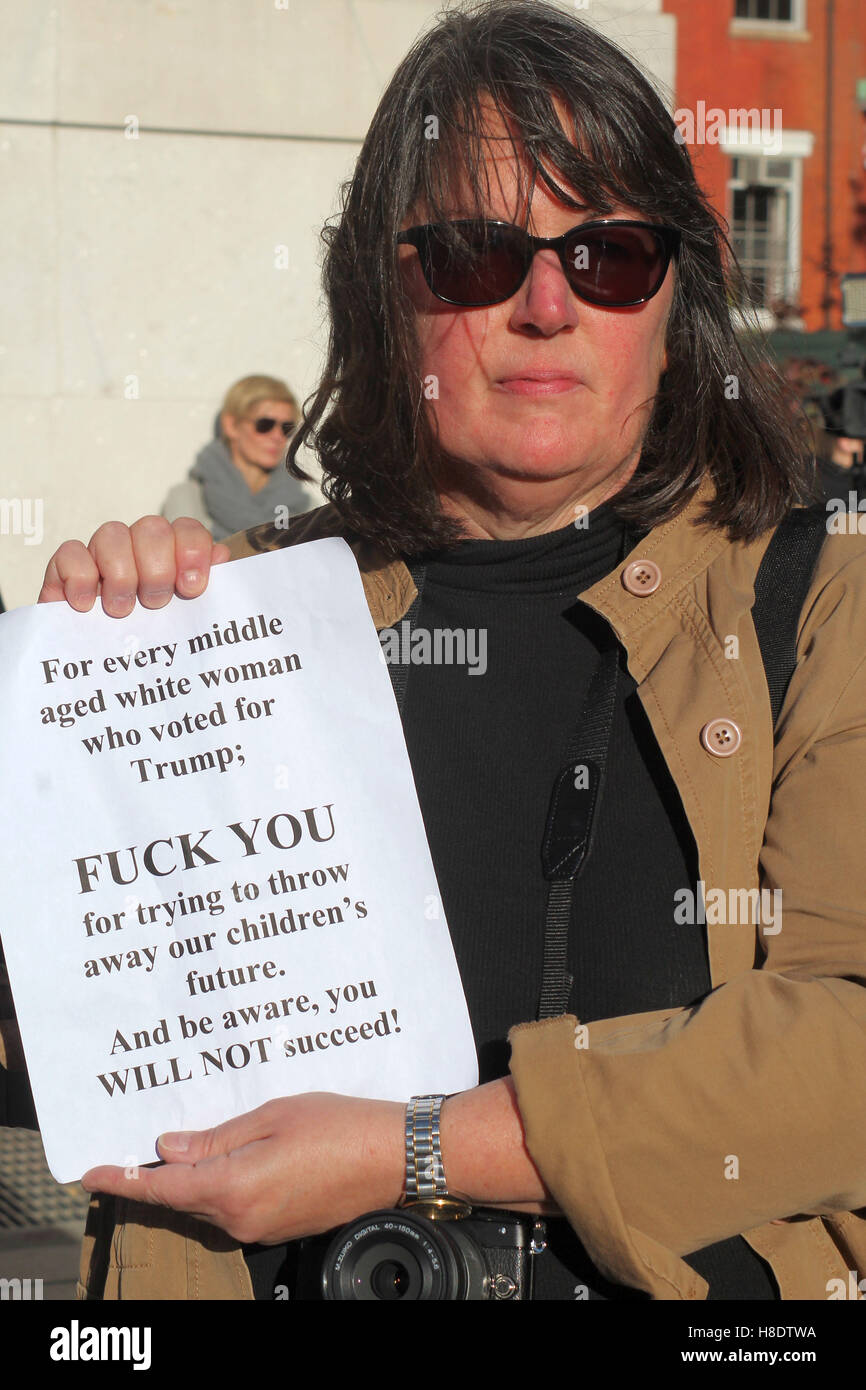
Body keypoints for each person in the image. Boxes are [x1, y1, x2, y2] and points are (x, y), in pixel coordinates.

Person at [14, 0, 866, 1300]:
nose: (543, 305)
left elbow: (845, 1044)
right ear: (380, 285)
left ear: (672, 295)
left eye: (609, 255)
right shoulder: (226, 627)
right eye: (474, 253)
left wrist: (411, 1150)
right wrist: (83, 710)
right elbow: (69, 1036)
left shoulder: (819, 597)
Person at [161, 374, 309, 540]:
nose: (277, 436)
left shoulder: (305, 506)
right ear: (231, 425)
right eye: (264, 425)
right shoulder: (188, 497)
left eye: (286, 428)